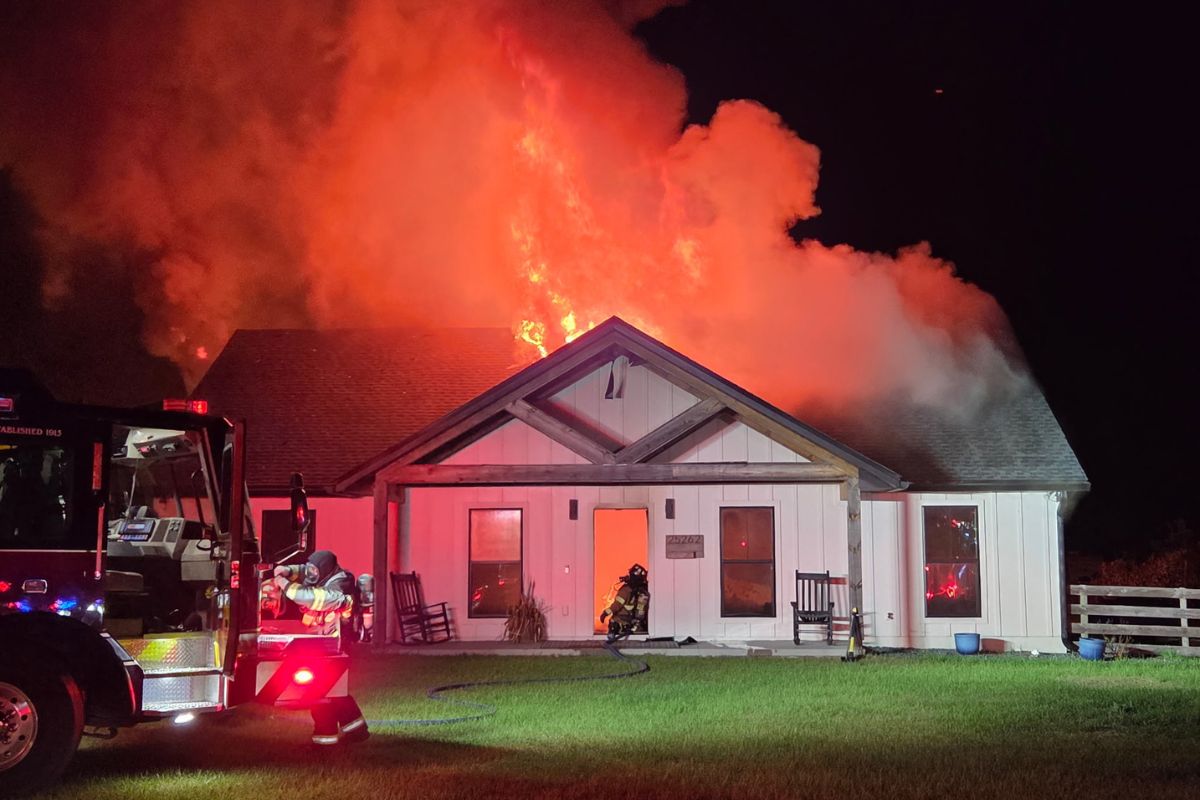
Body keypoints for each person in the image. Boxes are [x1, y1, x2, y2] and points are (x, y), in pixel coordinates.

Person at [272, 550, 369, 745]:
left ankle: (325, 738)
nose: (311, 573)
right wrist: (286, 569)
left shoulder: (339, 588)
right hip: (323, 646)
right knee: (333, 692)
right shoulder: (326, 576)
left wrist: (284, 583)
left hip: (336, 648)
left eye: (316, 569)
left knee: (319, 692)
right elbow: (305, 571)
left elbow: (309, 597)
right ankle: (356, 731)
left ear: (325, 569)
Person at [599, 563, 649, 643]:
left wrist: (605, 613)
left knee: (613, 621)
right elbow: (641, 612)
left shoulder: (625, 590)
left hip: (622, 621)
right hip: (634, 624)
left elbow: (616, 605)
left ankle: (612, 633)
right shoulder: (643, 592)